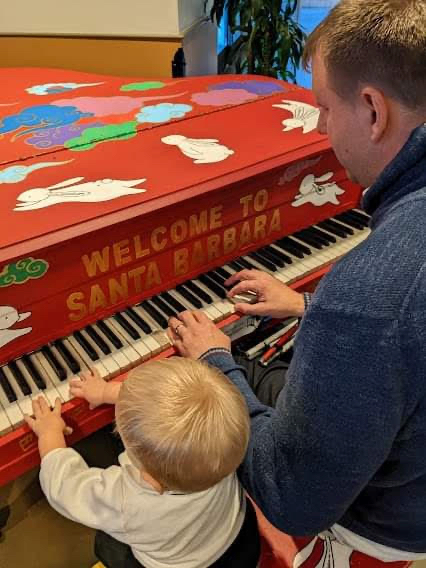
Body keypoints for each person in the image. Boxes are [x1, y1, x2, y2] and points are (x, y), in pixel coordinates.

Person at [167, 0, 426, 565]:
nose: (319, 127)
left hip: (388, 533)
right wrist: (309, 305)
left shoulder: (371, 296)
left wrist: (215, 359)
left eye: (324, 108)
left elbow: (292, 498)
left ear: (373, 111)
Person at [24, 357, 260, 568]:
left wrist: (49, 433)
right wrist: (106, 391)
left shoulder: (126, 502)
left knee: (107, 545)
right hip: (241, 540)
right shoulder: (215, 450)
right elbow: (156, 401)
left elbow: (64, 486)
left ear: (151, 480)